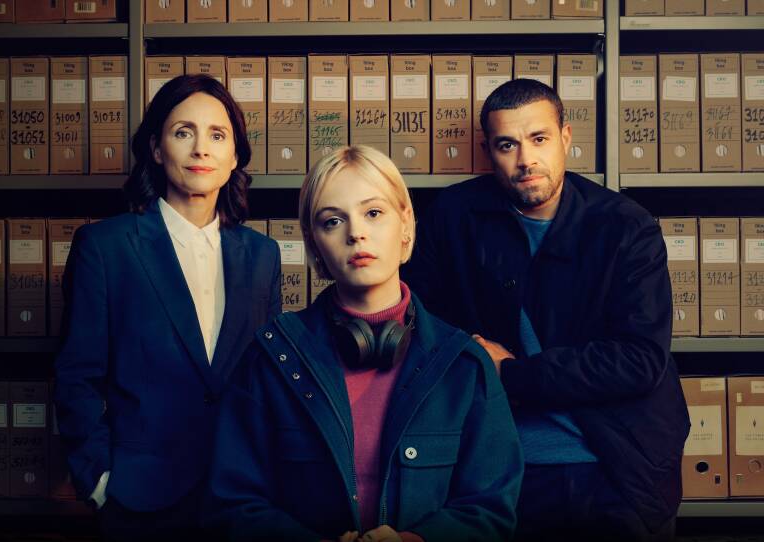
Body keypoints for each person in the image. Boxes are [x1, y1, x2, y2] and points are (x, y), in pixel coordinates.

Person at [404, 78, 690, 541]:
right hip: (500, 471)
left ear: (565, 138)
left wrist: (511, 373)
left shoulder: (624, 226)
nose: (525, 160)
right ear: (488, 150)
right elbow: (415, 321)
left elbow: (639, 360)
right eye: (507, 145)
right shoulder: (453, 215)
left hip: (614, 469)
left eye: (539, 139)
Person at [207, 145, 523, 542]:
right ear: (315, 245)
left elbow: (492, 509)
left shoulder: (464, 365)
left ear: (406, 225)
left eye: (374, 213)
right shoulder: (270, 358)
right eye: (332, 221)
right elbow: (233, 503)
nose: (356, 232)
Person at [53, 74, 282, 541]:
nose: (201, 149)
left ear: (234, 155)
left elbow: (269, 376)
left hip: (243, 495)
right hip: (140, 500)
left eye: (217, 135)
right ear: (157, 150)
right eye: (184, 132)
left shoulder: (263, 255)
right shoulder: (105, 246)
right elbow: (76, 376)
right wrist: (99, 482)